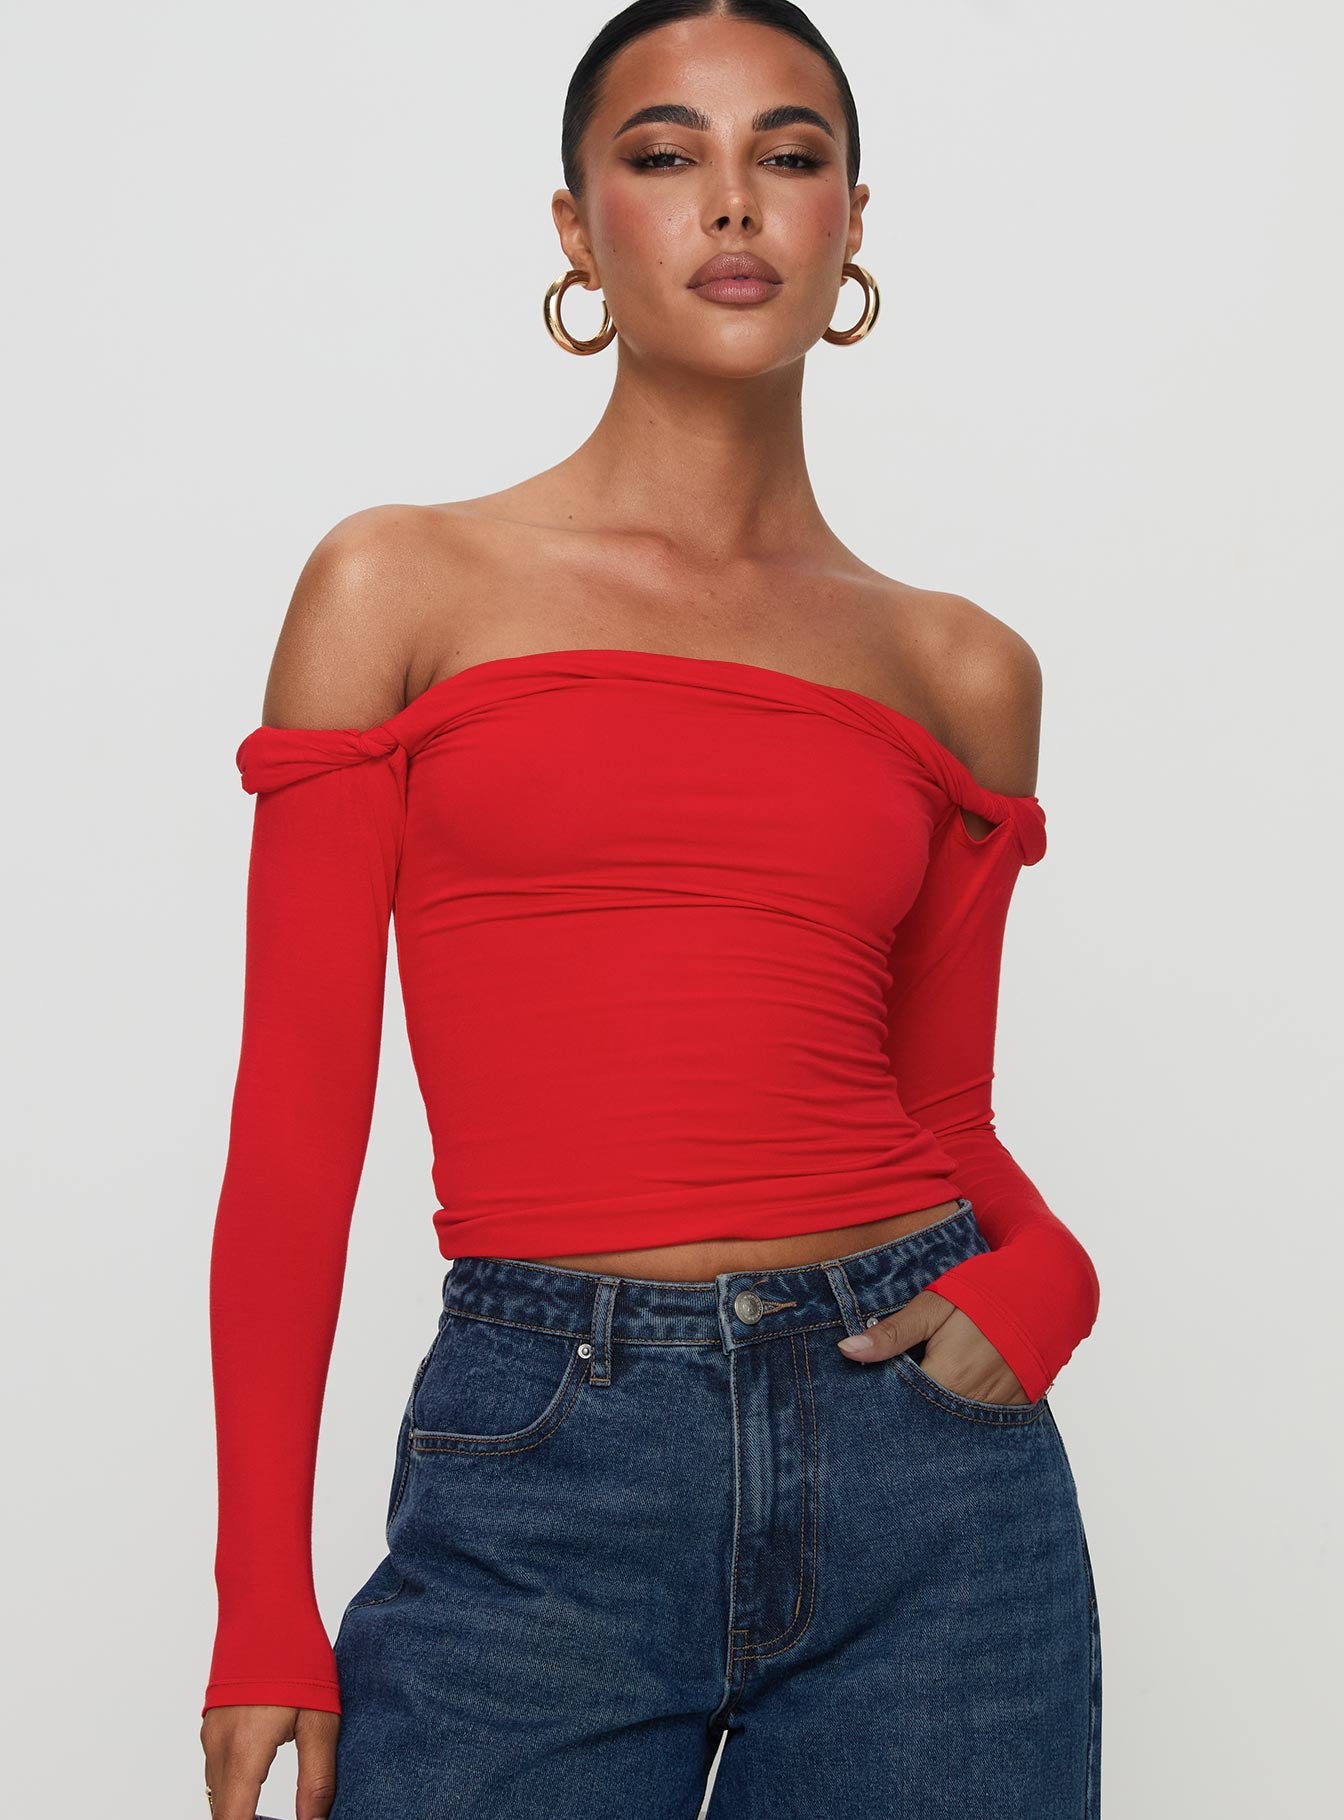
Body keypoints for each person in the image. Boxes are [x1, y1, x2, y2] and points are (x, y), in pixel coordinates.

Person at [199, 4, 1102, 1816]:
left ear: (852, 221)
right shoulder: (400, 584)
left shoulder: (958, 667)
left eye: (790, 154)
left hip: (932, 1488)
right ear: (576, 226)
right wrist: (260, 1606)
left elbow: (942, 1111)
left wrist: (1055, 1278)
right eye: (667, 154)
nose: (734, 203)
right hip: (543, 1458)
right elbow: (296, 1127)